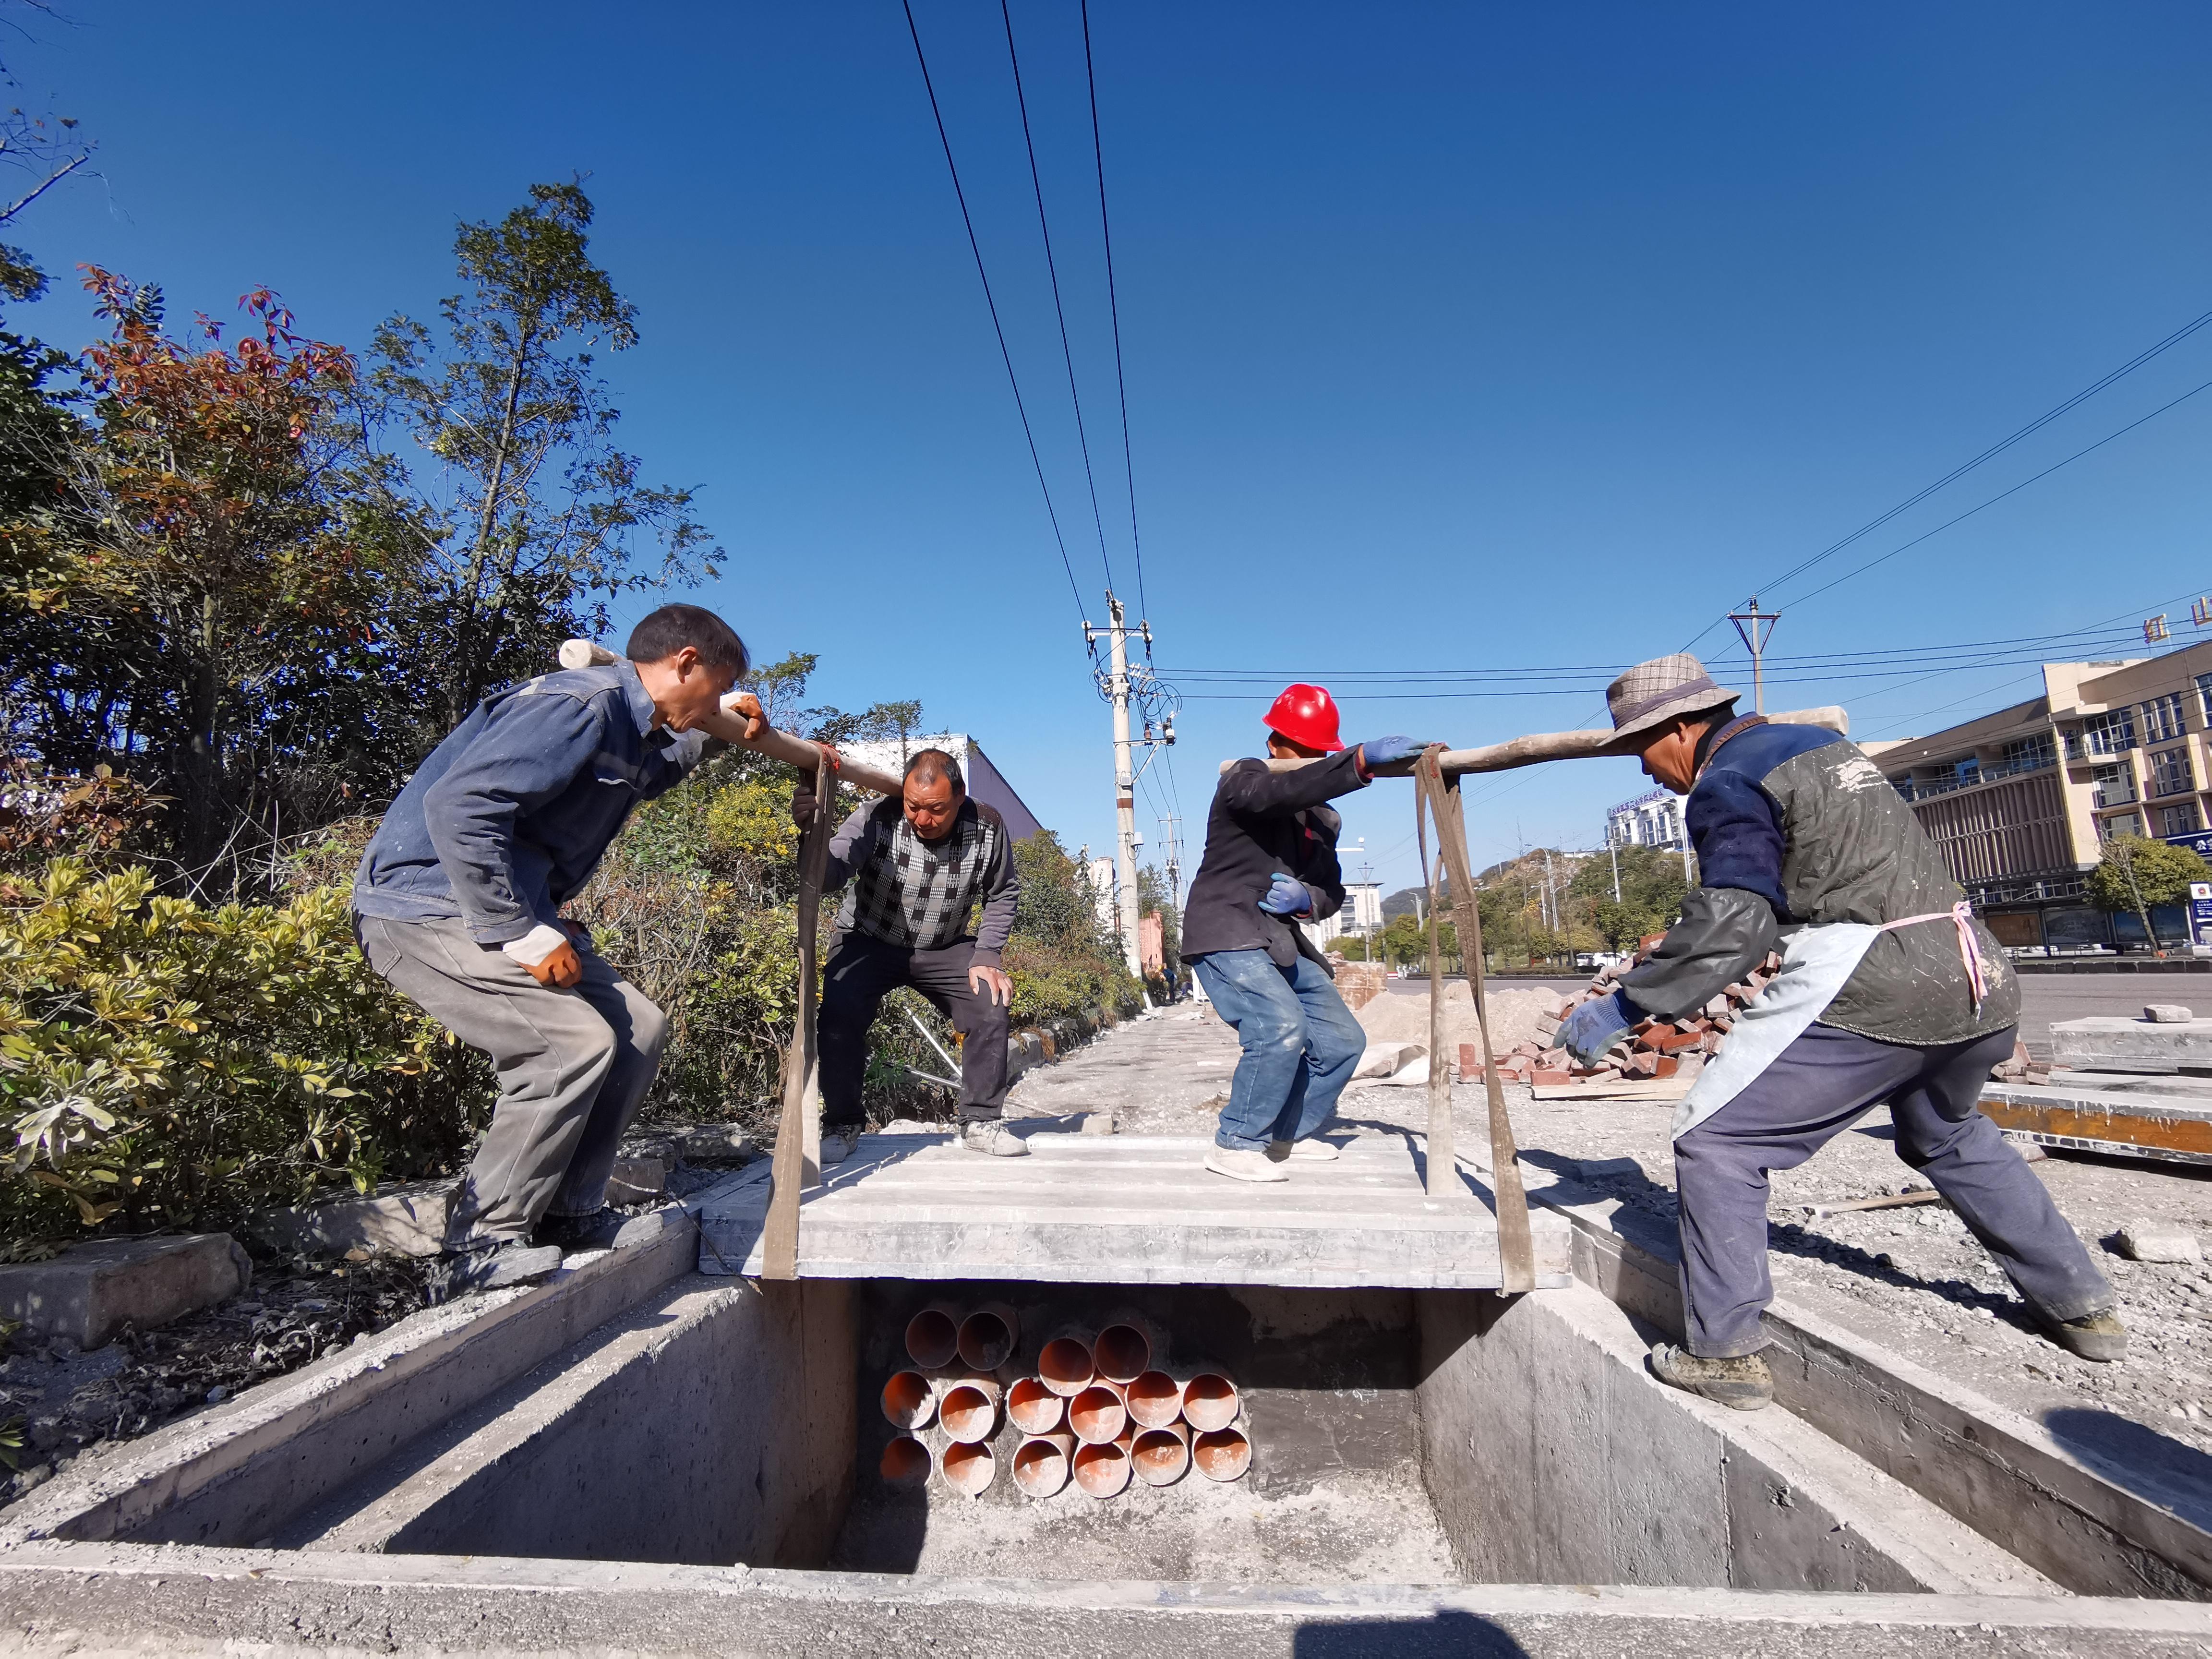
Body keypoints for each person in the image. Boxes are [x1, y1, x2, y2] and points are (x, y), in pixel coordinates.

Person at [1558, 653, 2123, 1409]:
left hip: (1877, 977)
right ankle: (2084, 1307)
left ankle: (1726, 1354)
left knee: (1718, 1142)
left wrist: (1628, 1007)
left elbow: (1738, 917)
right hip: (1974, 971)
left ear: (1683, 727)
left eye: (1642, 750)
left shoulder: (1728, 781)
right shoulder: (1827, 752)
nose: (1648, 772)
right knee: (1946, 1131)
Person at [352, 604, 763, 1297]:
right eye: (716, 683)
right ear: (686, 662)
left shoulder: (632, 730)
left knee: (638, 1030)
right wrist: (520, 929)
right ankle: (481, 1243)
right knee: (567, 1046)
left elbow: (649, 772)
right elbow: (460, 806)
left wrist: (717, 732)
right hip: (427, 906)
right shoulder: (578, 703)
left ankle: (569, 1213)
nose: (715, 701)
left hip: (504, 907)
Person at [1180, 684, 1432, 1182]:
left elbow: (1331, 891)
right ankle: (1236, 1142)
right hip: (1227, 932)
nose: (1310, 761)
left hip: (1279, 941)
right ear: (1276, 744)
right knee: (1278, 1027)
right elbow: (1282, 790)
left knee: (1341, 1042)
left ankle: (1285, 1135)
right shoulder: (1245, 778)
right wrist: (1358, 762)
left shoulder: (1323, 817)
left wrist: (1309, 900)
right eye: (1302, 750)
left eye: (1320, 753)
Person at [799, 746, 1025, 1160]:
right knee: (838, 1016)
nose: (923, 820)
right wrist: (812, 833)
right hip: (868, 937)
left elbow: (1004, 890)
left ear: (959, 797)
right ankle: (841, 1124)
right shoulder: (876, 816)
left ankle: (982, 1121)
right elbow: (829, 876)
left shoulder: (989, 826)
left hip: (945, 945)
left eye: (936, 809)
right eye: (914, 806)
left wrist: (988, 954)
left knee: (990, 1002)